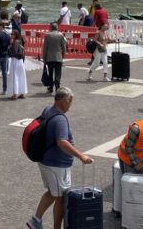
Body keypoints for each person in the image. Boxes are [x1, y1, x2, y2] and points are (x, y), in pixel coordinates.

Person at [27, 88, 92, 229]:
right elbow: (62, 142)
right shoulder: (60, 119)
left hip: (46, 161)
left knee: (52, 192)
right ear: (63, 102)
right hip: (56, 166)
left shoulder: (47, 110)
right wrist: (81, 156)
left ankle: (36, 220)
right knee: (61, 198)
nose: (70, 105)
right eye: (69, 102)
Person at [42, 22, 67, 93]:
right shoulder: (61, 35)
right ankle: (57, 88)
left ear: (50, 28)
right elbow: (64, 47)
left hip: (49, 57)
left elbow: (45, 48)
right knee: (58, 74)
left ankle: (50, 88)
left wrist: (44, 58)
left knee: (50, 73)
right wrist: (63, 56)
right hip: (58, 57)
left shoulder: (47, 35)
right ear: (57, 28)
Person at [7, 31, 28, 99]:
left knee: (14, 76)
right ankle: (22, 93)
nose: (11, 35)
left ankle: (15, 94)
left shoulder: (15, 42)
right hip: (20, 60)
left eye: (12, 34)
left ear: (15, 35)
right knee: (21, 76)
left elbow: (14, 52)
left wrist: (9, 49)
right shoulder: (19, 42)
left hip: (15, 60)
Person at [0, 17, 11, 96]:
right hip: (5, 55)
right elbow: (8, 45)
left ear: (1, 26)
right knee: (4, 73)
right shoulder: (7, 35)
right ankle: (5, 89)